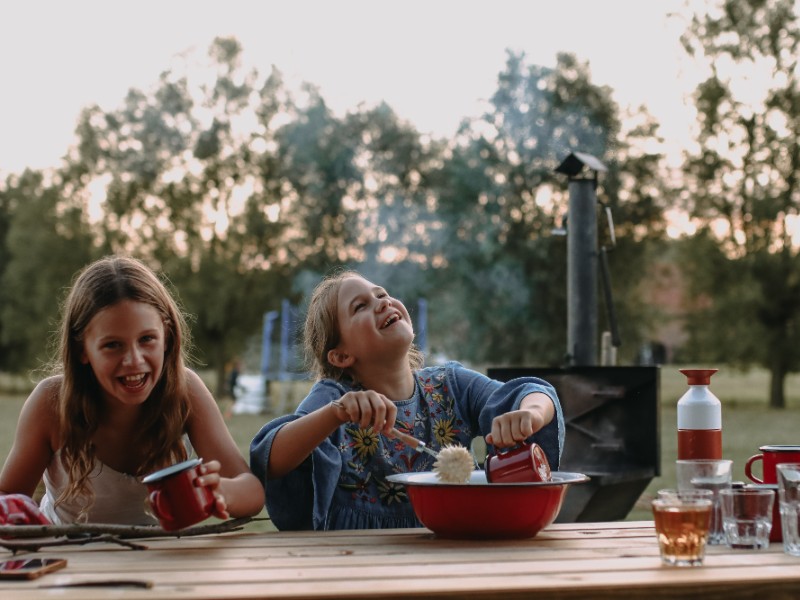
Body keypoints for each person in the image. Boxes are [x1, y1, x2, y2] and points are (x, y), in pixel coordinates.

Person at [250, 270, 564, 531]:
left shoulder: (450, 385)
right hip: (356, 564)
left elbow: (530, 393)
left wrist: (532, 414)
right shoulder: (336, 400)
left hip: (452, 549)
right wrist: (334, 415)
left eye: (381, 294)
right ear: (342, 355)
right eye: (360, 306)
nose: (382, 302)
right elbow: (270, 458)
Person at [0, 256, 264, 525]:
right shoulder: (52, 402)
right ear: (82, 351)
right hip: (67, 562)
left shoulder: (185, 391)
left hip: (154, 563)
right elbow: (7, 496)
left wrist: (222, 491)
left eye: (147, 339)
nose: (134, 360)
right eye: (113, 345)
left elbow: (252, 494)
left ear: (167, 337)